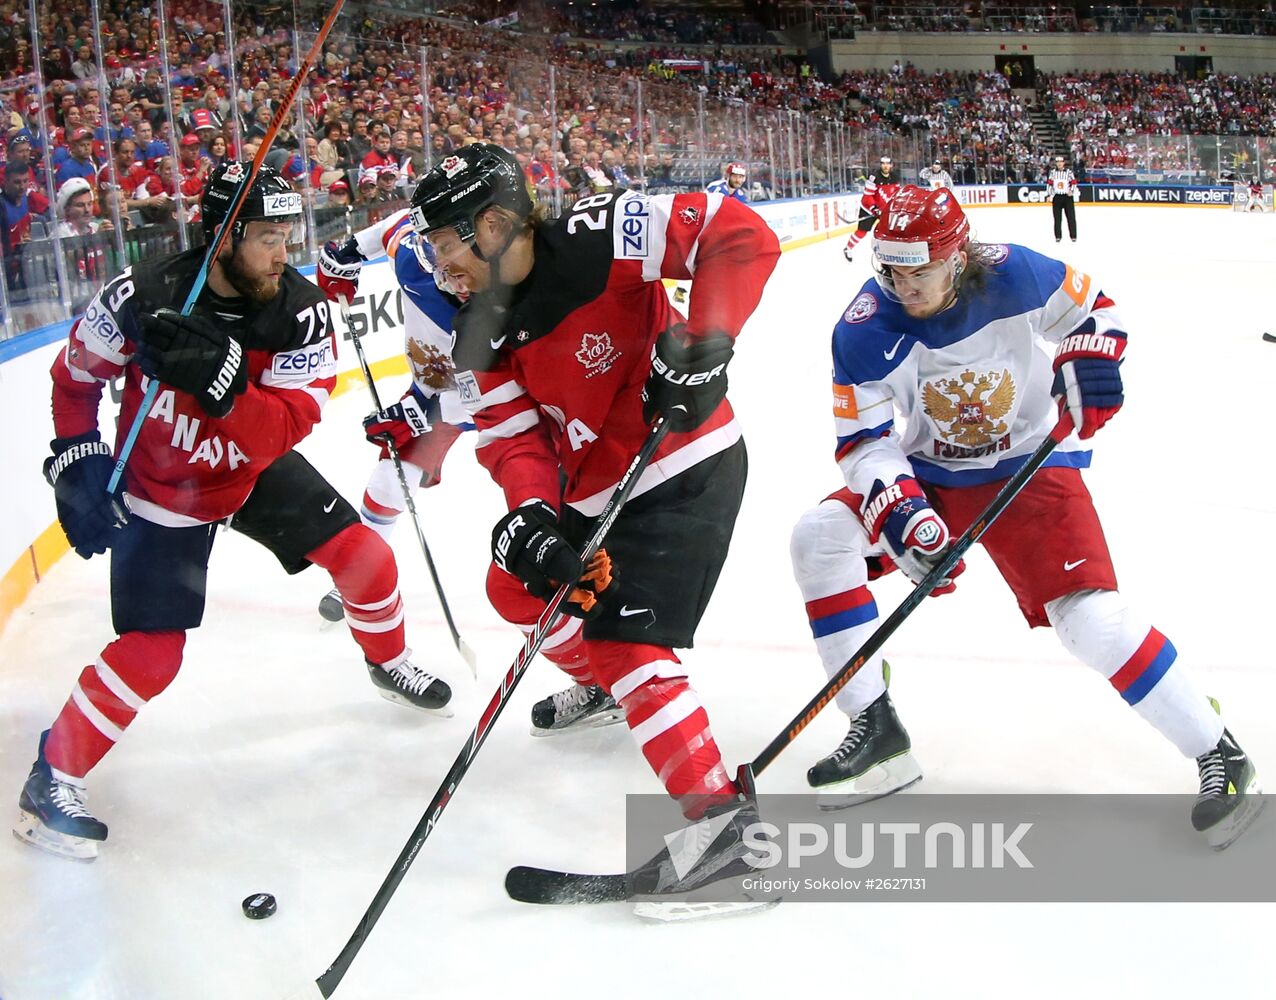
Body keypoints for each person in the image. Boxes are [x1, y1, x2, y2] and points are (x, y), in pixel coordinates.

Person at [788, 185, 1261, 849]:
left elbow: (1093, 310)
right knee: (818, 539)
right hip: (930, 477)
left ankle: (1220, 750)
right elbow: (864, 441)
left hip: (1030, 465)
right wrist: (900, 512)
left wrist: (1090, 359)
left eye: (918, 270)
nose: (903, 285)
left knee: (1090, 622)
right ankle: (876, 728)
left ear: (956, 257)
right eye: (890, 270)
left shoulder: (1015, 271)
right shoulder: (864, 327)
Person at [14, 162, 453, 863]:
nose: (285, 252)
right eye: (268, 237)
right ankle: (53, 777)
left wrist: (222, 385)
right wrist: (75, 458)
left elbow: (284, 428)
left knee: (368, 559)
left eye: (290, 234)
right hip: (161, 494)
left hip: (249, 469)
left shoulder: (300, 311)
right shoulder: (141, 295)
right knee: (153, 654)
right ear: (221, 237)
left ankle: (388, 660)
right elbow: (74, 381)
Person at [408, 142, 781, 886]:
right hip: (594, 492)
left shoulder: (603, 230)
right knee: (517, 587)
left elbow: (738, 232)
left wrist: (704, 343)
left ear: (493, 224)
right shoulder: (476, 332)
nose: (436, 263)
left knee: (618, 635)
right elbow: (515, 439)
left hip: (682, 462)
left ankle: (727, 837)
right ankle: (618, 693)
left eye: (446, 242)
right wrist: (535, 520)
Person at [312, 209, 471, 624]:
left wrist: (424, 412)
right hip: (434, 389)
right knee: (388, 481)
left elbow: (500, 392)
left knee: (538, 487)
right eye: (451, 274)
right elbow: (395, 226)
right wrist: (349, 253)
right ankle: (364, 571)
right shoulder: (415, 266)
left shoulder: (507, 313)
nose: (461, 284)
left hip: (504, 402)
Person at [843, 155, 901, 263]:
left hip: (884, 210)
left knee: (890, 231)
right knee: (862, 231)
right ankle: (848, 248)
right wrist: (874, 208)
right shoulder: (874, 177)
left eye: (887, 163)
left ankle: (891, 253)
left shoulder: (895, 177)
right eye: (883, 163)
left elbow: (896, 194)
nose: (885, 166)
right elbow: (867, 196)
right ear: (880, 165)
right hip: (868, 209)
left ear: (891, 165)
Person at [1047, 154, 1078, 241]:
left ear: (1064, 163)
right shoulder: (1053, 173)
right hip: (1057, 197)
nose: (1059, 164)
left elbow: (1074, 182)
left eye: (1061, 162)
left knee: (1071, 217)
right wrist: (1049, 195)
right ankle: (1058, 236)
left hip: (1067, 197)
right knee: (1057, 218)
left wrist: (1071, 191)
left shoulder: (1069, 172)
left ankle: (1073, 236)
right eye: (1058, 162)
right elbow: (1049, 184)